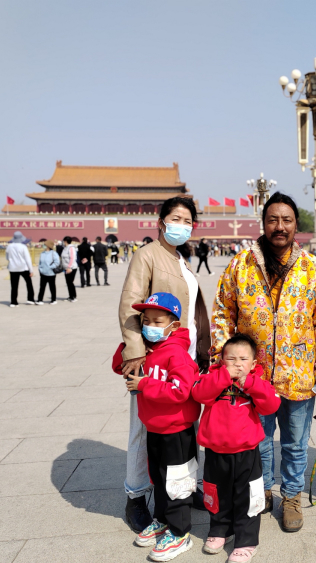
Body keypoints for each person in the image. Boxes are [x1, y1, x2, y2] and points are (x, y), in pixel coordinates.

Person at [211, 192, 316, 533]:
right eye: (273, 220)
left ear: (296, 225)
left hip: (299, 375)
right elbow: (223, 313)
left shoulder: (311, 268)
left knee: (296, 443)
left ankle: (292, 496)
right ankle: (264, 491)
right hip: (253, 377)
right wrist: (223, 363)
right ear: (263, 223)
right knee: (259, 440)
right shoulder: (240, 265)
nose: (279, 226)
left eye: (286, 220)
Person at [118, 196, 211, 535]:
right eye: (175, 218)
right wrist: (134, 353)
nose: (181, 225)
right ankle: (136, 496)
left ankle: (182, 489)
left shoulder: (181, 259)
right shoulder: (148, 255)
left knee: (183, 428)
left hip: (183, 358)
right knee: (143, 429)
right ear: (160, 222)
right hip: (153, 359)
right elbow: (130, 304)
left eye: (187, 221)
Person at [114, 293, 201, 562]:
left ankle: (180, 533)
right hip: (155, 429)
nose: (150, 326)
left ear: (173, 325)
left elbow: (180, 391)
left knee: (177, 484)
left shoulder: (177, 355)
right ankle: (162, 520)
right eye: (146, 321)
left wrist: (145, 385)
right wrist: (131, 344)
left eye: (157, 321)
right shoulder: (148, 350)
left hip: (177, 431)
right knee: (159, 480)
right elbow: (119, 365)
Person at [192, 334, 280, 562]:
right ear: (222, 361)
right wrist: (222, 377)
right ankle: (220, 530)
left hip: (246, 453)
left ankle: (246, 541)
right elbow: (199, 394)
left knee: (248, 498)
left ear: (253, 363)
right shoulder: (212, 377)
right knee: (215, 494)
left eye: (243, 359)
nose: (237, 364)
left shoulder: (257, 381)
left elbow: (271, 405)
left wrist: (250, 384)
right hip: (215, 451)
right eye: (231, 359)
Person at [6, 231, 36, 307]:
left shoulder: (9, 246)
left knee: (14, 285)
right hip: (23, 268)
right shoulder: (23, 246)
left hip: (13, 268)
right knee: (29, 283)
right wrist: (31, 270)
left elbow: (7, 258)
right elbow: (28, 259)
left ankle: (13, 302)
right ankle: (30, 299)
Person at [37, 239, 61, 304]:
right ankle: (40, 300)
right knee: (42, 287)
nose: (43, 246)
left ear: (48, 246)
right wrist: (40, 269)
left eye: (45, 245)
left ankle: (53, 300)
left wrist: (50, 267)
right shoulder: (42, 253)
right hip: (43, 273)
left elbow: (57, 262)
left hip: (51, 273)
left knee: (52, 287)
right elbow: (40, 262)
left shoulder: (54, 253)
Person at [61, 236, 78, 302]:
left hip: (71, 268)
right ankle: (70, 296)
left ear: (65, 241)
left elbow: (72, 258)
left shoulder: (71, 248)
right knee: (68, 282)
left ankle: (74, 297)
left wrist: (69, 267)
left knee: (70, 282)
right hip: (66, 268)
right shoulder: (65, 248)